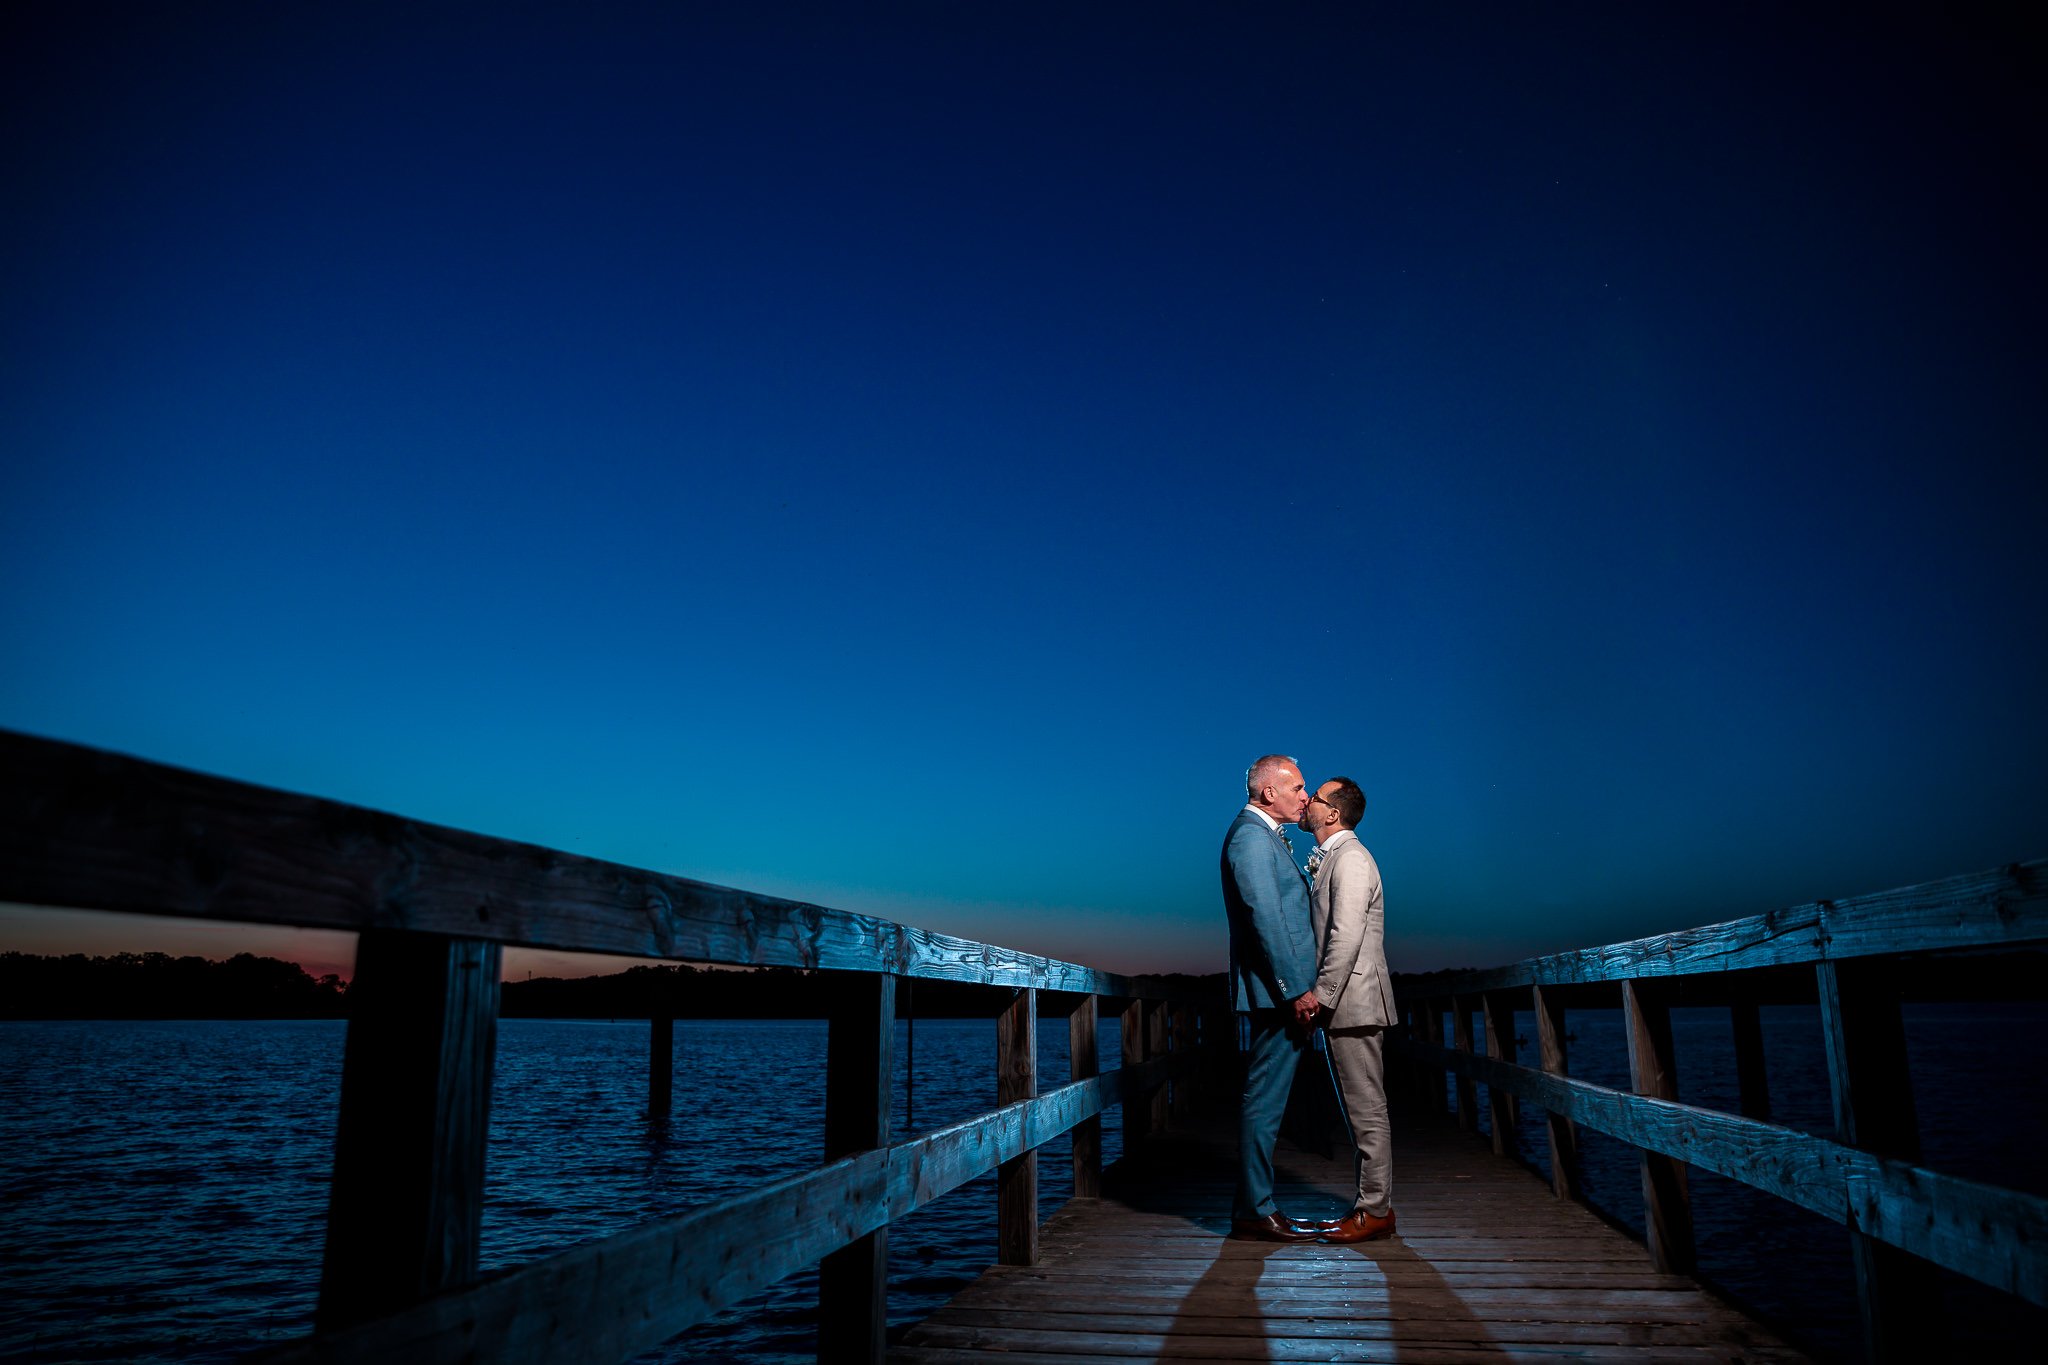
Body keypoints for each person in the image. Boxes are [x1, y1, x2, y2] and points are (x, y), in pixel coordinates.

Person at [1220, 754, 1328, 1241]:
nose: (1305, 797)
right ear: (1270, 794)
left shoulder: (1261, 836)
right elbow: (1265, 919)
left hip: (1279, 992)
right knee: (1264, 1102)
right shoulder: (1249, 838)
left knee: (1267, 1099)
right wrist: (1295, 990)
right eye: (1299, 788)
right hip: (1277, 994)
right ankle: (1253, 1209)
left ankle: (1254, 1204)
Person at [1299, 775, 1397, 1242]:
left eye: (1314, 798)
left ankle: (1375, 1211)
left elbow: (1346, 934)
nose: (1306, 802)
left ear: (1332, 813)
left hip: (1354, 1002)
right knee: (1360, 1110)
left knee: (1367, 1111)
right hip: (1346, 1001)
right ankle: (1371, 1206)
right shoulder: (1334, 857)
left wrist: (1322, 995)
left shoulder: (1353, 860)